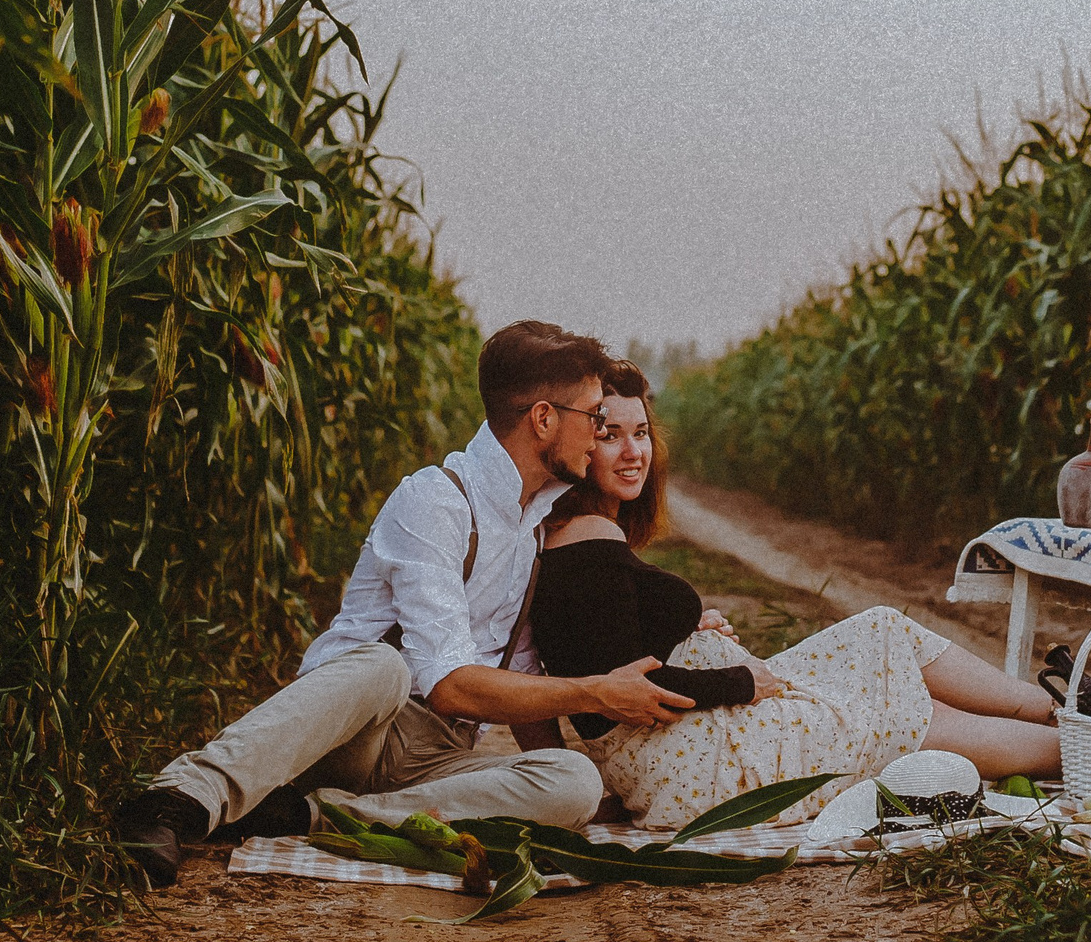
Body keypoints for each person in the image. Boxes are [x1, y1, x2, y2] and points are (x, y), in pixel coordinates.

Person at [113, 322, 697, 887]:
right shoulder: (434, 501)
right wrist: (596, 691)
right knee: (384, 665)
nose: (600, 434)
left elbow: (518, 677)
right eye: (594, 418)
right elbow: (446, 684)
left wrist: (559, 794)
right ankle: (179, 799)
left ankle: (310, 816)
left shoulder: (539, 518)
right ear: (544, 419)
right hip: (356, 732)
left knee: (574, 781)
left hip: (437, 756)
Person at [530, 363, 1061, 831]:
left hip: (691, 750)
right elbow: (625, 692)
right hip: (697, 764)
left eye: (642, 432)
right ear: (579, 443)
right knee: (888, 711)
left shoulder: (586, 534)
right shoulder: (586, 537)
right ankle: (1079, 743)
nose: (633, 452)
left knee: (882, 633)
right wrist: (739, 680)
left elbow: (607, 645)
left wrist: (682, 630)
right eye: (610, 435)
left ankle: (1060, 713)